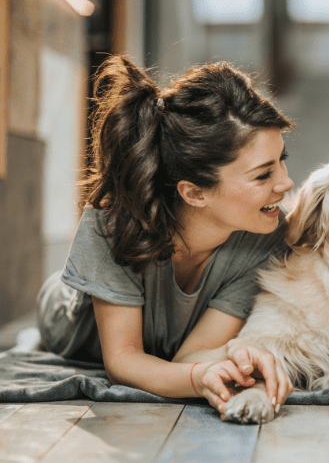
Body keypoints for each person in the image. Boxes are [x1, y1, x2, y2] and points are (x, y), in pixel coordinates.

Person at [36, 55, 294, 414]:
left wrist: (232, 354)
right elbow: (123, 361)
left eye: (283, 159)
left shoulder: (267, 237)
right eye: (263, 175)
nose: (286, 182)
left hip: (168, 339)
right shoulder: (111, 225)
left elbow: (189, 357)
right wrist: (197, 379)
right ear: (195, 193)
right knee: (52, 306)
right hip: (70, 321)